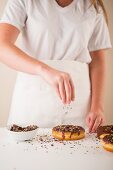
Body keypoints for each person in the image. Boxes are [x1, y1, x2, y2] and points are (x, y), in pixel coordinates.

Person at [0, 0, 112, 132]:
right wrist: (43, 69)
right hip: (32, 100)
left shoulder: (93, 6)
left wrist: (97, 106)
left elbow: (97, 61)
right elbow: (2, 45)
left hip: (79, 105)